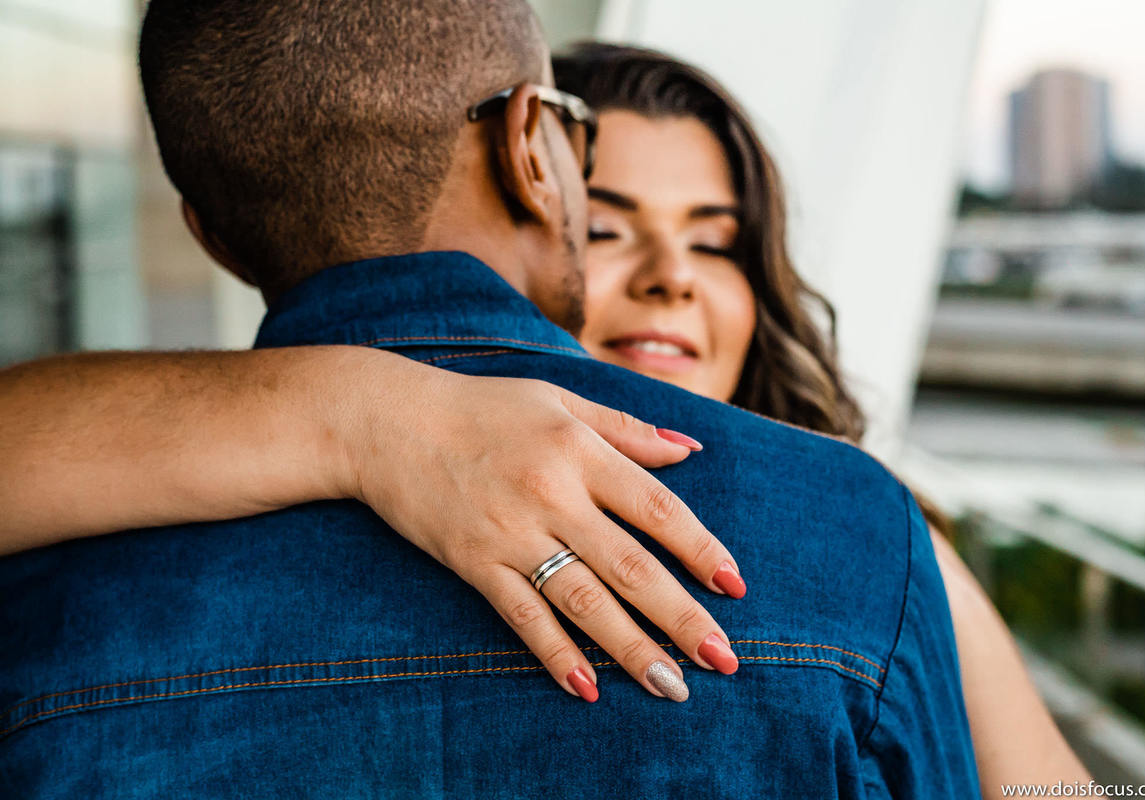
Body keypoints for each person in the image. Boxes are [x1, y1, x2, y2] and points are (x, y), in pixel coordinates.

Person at [0, 4, 1052, 795]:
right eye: (607, 213)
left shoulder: (45, 570)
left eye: (716, 239)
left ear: (209, 233)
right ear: (536, 154)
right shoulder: (854, 546)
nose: (667, 279)